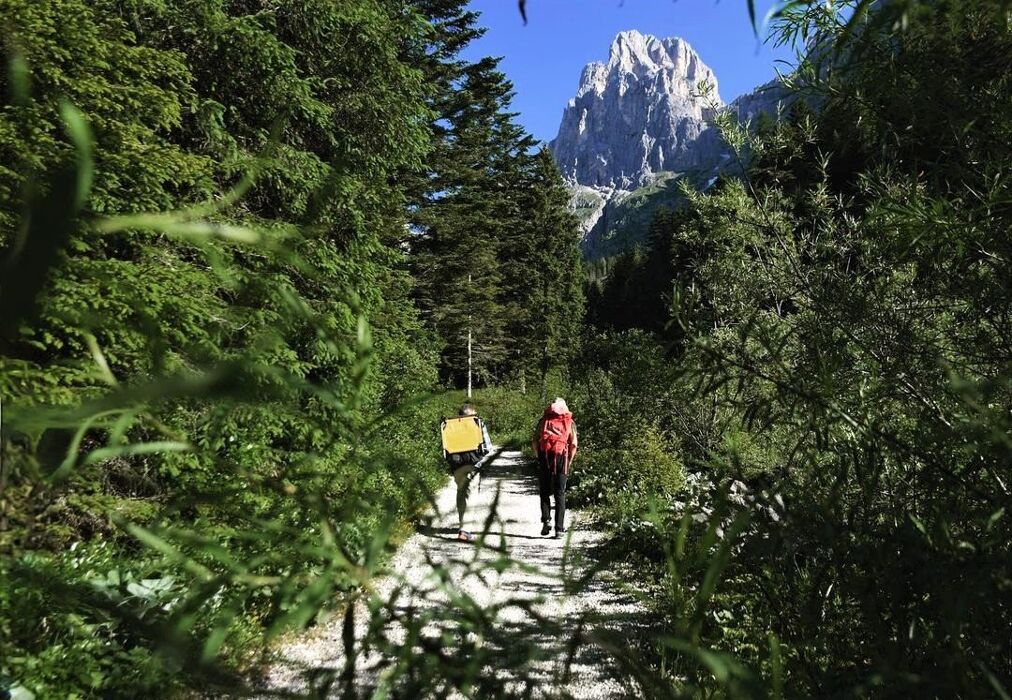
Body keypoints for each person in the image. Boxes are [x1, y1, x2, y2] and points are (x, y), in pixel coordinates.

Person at [532, 397, 578, 538]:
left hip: (545, 456)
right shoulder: (569, 422)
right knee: (560, 493)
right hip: (561, 457)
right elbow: (574, 444)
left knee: (545, 491)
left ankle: (546, 520)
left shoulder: (544, 420)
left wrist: (538, 457)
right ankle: (559, 529)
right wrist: (569, 461)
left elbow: (535, 441)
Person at [447, 404, 491, 542]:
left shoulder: (450, 425)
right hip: (472, 465)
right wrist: (479, 459)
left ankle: (463, 526)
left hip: (456, 466)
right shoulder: (476, 423)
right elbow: (488, 447)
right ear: (472, 414)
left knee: (461, 493)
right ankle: (464, 531)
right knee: (470, 496)